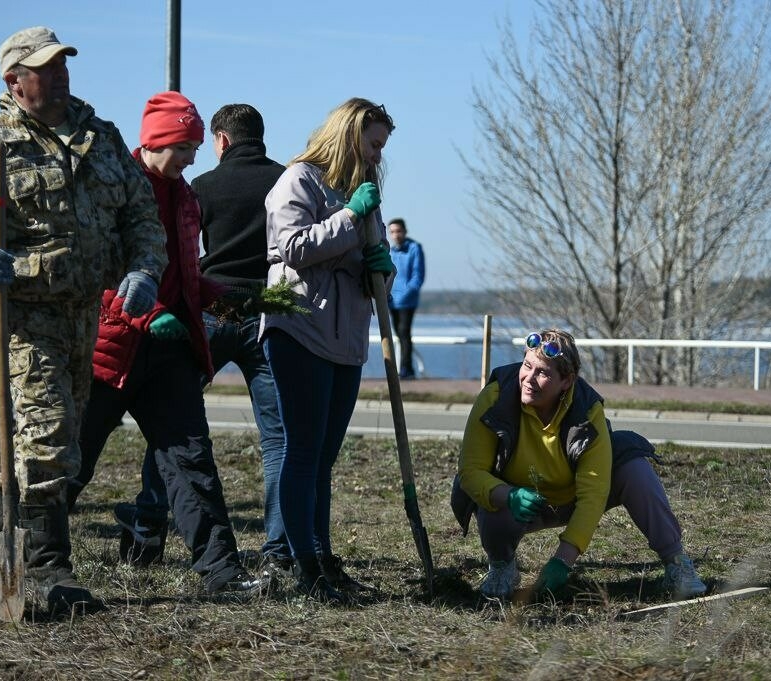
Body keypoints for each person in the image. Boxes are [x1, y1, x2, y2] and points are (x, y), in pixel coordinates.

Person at [0, 26, 166, 614]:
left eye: (63, 64)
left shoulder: (101, 138)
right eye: (45, 68)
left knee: (60, 438)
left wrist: (144, 269)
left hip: (88, 314)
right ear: (14, 80)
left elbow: (141, 217)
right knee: (45, 436)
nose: (60, 75)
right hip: (24, 318)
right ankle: (45, 571)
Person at [69, 91, 264, 597]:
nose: (191, 159)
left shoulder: (187, 198)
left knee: (191, 460)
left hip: (170, 355)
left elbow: (185, 273)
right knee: (72, 457)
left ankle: (221, 573)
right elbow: (101, 273)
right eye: (182, 147)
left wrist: (221, 298)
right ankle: (18, 550)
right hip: (111, 352)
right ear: (155, 140)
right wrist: (149, 314)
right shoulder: (118, 191)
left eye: (195, 148)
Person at [451, 329, 707, 602]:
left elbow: (594, 493)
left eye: (543, 372)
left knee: (635, 467)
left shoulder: (588, 411)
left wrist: (563, 560)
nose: (529, 379)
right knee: (491, 498)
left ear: (567, 381)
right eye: (527, 366)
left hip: (571, 498)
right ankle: (502, 566)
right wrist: (509, 495)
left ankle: (676, 561)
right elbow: (470, 471)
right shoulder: (495, 398)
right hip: (519, 502)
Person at [261, 97, 395, 602]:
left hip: (345, 337)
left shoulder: (363, 193)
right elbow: (293, 247)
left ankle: (323, 558)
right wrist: (350, 217)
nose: (377, 155)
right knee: (303, 450)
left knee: (324, 458)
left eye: (381, 147)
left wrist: (381, 267)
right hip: (299, 327)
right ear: (349, 135)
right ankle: (305, 567)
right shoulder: (298, 179)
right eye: (373, 144)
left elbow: (371, 269)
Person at [190, 103, 291, 577]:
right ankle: (278, 547)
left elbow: (185, 250)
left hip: (212, 308)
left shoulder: (203, 186)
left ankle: (148, 523)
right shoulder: (285, 180)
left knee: (176, 421)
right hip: (266, 311)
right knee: (278, 437)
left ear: (222, 140)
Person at [387, 218, 424, 379]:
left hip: (407, 301)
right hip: (391, 300)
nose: (396, 235)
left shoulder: (414, 248)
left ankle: (406, 370)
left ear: (405, 231)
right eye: (392, 232)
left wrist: (406, 293)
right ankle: (403, 368)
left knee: (404, 333)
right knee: (398, 334)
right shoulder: (390, 251)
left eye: (398, 231)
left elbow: (418, 275)